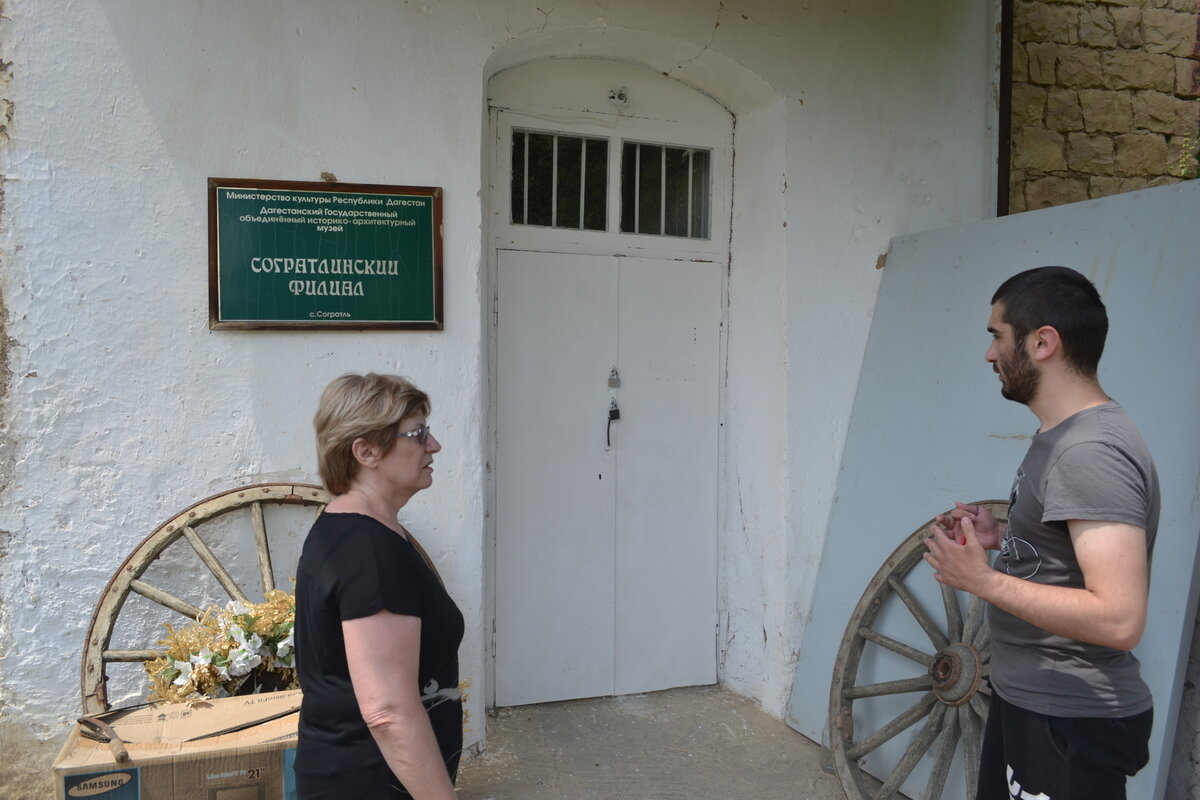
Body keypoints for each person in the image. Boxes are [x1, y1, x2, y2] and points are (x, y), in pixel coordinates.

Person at [923, 267, 1159, 800]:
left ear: (1043, 342)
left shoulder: (1090, 452)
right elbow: (1068, 553)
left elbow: (1120, 618)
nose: (989, 355)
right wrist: (1002, 536)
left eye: (996, 336)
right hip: (1032, 700)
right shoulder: (1060, 437)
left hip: (1069, 721)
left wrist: (982, 582)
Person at [294, 372, 463, 799]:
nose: (434, 445)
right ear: (366, 451)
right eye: (417, 434)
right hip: (371, 782)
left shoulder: (359, 530)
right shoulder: (367, 550)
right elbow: (387, 712)